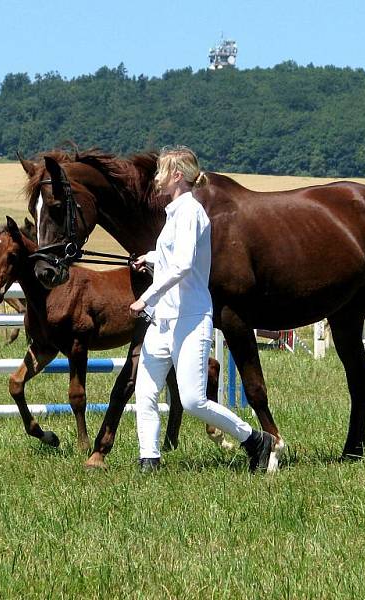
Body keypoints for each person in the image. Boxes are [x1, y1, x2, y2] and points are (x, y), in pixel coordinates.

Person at [129, 146, 275, 473]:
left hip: (190, 319)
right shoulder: (174, 213)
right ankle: (149, 461)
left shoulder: (192, 212)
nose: (156, 178)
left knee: (194, 401)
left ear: (177, 176)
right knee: (146, 392)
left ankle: (255, 440)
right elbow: (174, 257)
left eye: (161, 172)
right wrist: (151, 258)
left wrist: (145, 298)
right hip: (163, 321)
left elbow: (182, 266)